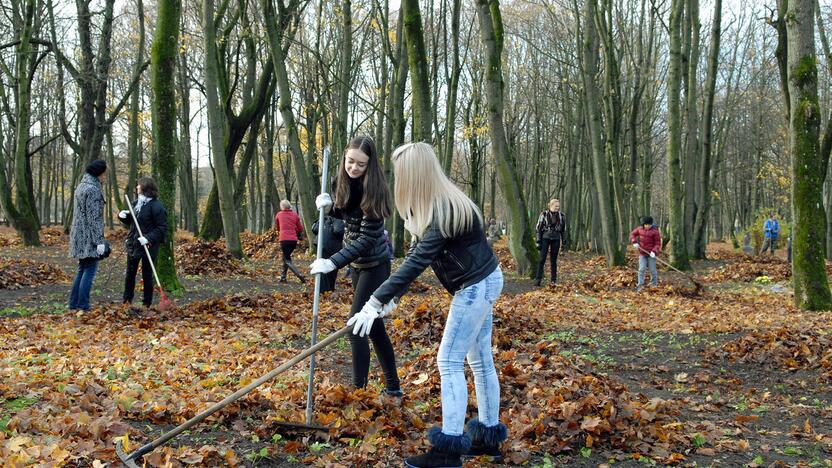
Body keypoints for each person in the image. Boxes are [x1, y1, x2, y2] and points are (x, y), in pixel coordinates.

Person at [346, 142, 507, 468]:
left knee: (448, 360)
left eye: (402, 173)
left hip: (475, 287)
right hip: (486, 280)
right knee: (480, 361)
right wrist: (393, 299)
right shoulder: (442, 202)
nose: (396, 180)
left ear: (414, 175)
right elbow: (420, 259)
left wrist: (374, 302)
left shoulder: (443, 211)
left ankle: (447, 452)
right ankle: (488, 437)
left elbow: (416, 261)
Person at [309, 136, 401, 397]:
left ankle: (358, 393)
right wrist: (328, 207)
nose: (354, 168)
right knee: (373, 327)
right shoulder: (343, 180)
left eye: (361, 164)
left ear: (370, 165)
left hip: (375, 265)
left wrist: (333, 262)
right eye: (350, 161)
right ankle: (393, 388)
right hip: (358, 266)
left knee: (356, 328)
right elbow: (347, 215)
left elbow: (366, 238)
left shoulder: (376, 190)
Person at [118, 177, 168, 308]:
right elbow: (134, 223)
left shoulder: (157, 206)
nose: (136, 188)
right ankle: (127, 301)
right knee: (130, 273)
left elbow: (162, 229)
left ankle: (146, 303)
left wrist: (148, 238)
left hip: (148, 246)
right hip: (134, 244)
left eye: (138, 185)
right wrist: (123, 216)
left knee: (147, 274)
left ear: (145, 187)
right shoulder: (136, 203)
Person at [68, 160, 108, 312]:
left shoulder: (81, 186)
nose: (105, 177)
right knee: (89, 269)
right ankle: (83, 305)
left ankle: (74, 304)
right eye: (104, 173)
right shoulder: (92, 190)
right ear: (99, 173)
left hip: (79, 234)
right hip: (88, 237)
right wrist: (99, 241)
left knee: (82, 268)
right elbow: (94, 218)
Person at [534, 198, 567, 286]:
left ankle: (553, 280)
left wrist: (564, 242)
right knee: (542, 259)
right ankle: (538, 279)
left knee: (553, 260)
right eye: (556, 206)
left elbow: (563, 230)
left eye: (558, 206)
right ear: (551, 206)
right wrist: (538, 241)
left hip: (556, 238)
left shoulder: (561, 216)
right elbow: (538, 228)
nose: (557, 208)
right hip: (545, 238)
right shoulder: (543, 214)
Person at [275, 200, 307, 283]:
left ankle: (300, 275)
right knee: (285, 257)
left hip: (284, 240)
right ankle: (283, 277)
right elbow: (300, 228)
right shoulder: (295, 215)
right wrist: (294, 229)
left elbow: (278, 227)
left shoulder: (279, 215)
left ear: (282, 207)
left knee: (287, 259)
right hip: (293, 240)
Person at [311, 214, 345, 292]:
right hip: (331, 246)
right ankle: (326, 290)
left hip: (321, 244)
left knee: (323, 267)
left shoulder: (325, 216)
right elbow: (339, 230)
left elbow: (314, 229)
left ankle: (325, 289)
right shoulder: (338, 218)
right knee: (331, 268)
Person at [630, 216, 661, 291]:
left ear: (651, 224)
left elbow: (658, 244)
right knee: (641, 269)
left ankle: (654, 284)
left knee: (652, 270)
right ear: (643, 224)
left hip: (651, 254)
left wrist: (654, 251)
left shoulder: (655, 231)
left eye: (649, 225)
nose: (648, 226)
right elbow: (632, 234)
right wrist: (634, 241)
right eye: (646, 224)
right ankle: (640, 285)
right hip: (642, 253)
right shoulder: (640, 229)